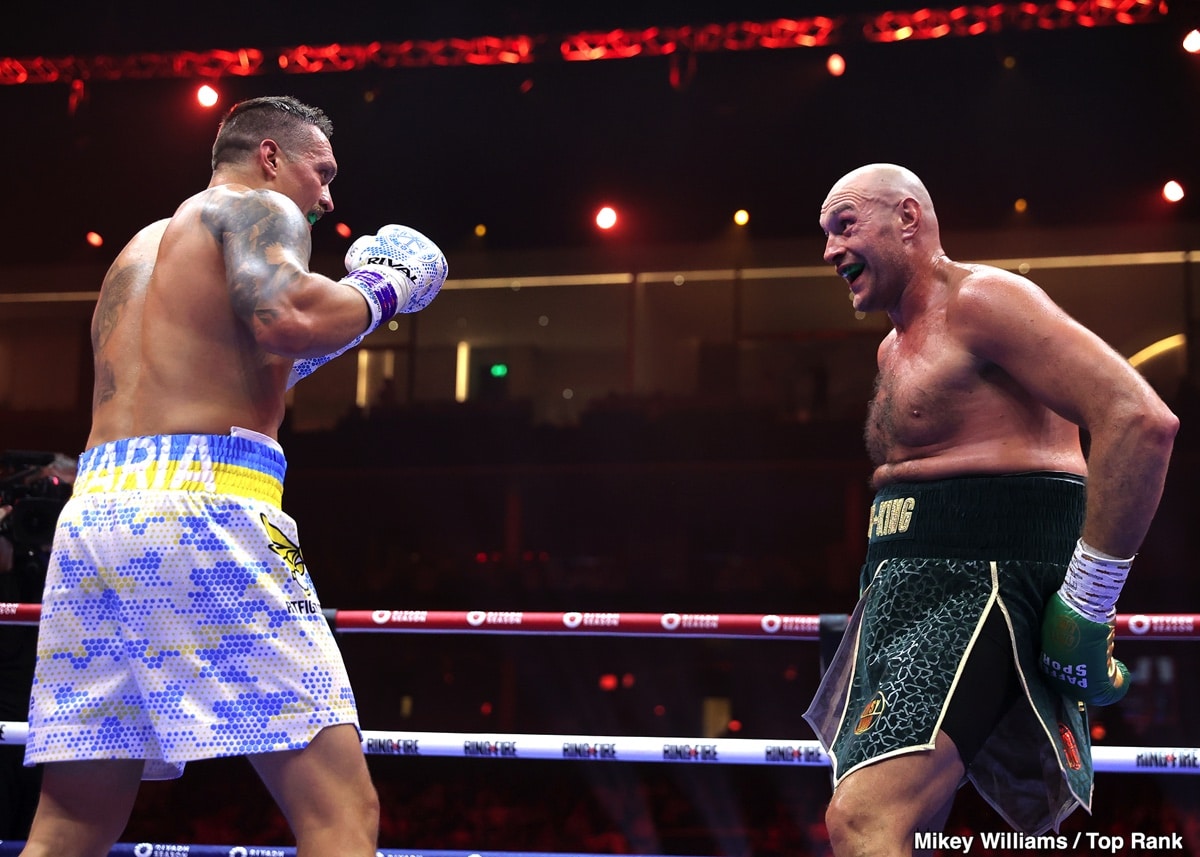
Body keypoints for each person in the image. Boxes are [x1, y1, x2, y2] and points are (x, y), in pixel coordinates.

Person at [19, 95, 448, 857]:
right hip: (204, 508)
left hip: (95, 518)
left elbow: (245, 366)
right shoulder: (255, 206)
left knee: (72, 823)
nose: (327, 198)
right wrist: (385, 287)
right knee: (341, 811)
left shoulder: (139, 252)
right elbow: (288, 318)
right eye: (322, 172)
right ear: (270, 157)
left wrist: (351, 314)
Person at [803, 163, 1178, 855]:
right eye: (825, 233)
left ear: (907, 219)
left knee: (863, 820)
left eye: (845, 225)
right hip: (903, 591)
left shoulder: (982, 300)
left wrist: (1089, 601)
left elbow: (1139, 419)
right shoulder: (891, 348)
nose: (830, 250)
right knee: (908, 826)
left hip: (984, 588)